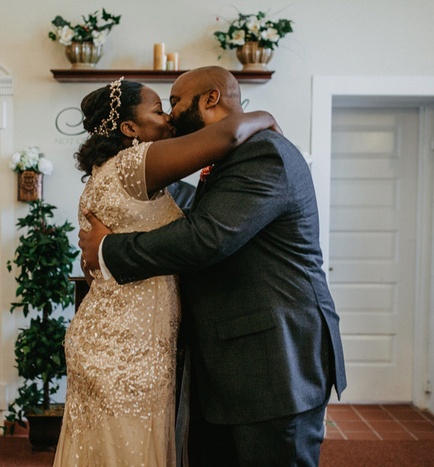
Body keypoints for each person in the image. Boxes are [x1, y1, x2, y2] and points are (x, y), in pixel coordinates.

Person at [78, 66, 347, 467]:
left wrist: (109, 249)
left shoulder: (262, 152)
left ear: (209, 99)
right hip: (230, 364)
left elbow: (206, 238)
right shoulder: (225, 158)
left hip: (274, 362)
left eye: (175, 103)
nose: (170, 115)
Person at [53, 76, 281, 467]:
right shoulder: (132, 164)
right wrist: (264, 115)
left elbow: (96, 268)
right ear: (130, 129)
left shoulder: (111, 172)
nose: (169, 118)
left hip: (118, 337)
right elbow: (227, 136)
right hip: (126, 349)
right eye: (158, 111)